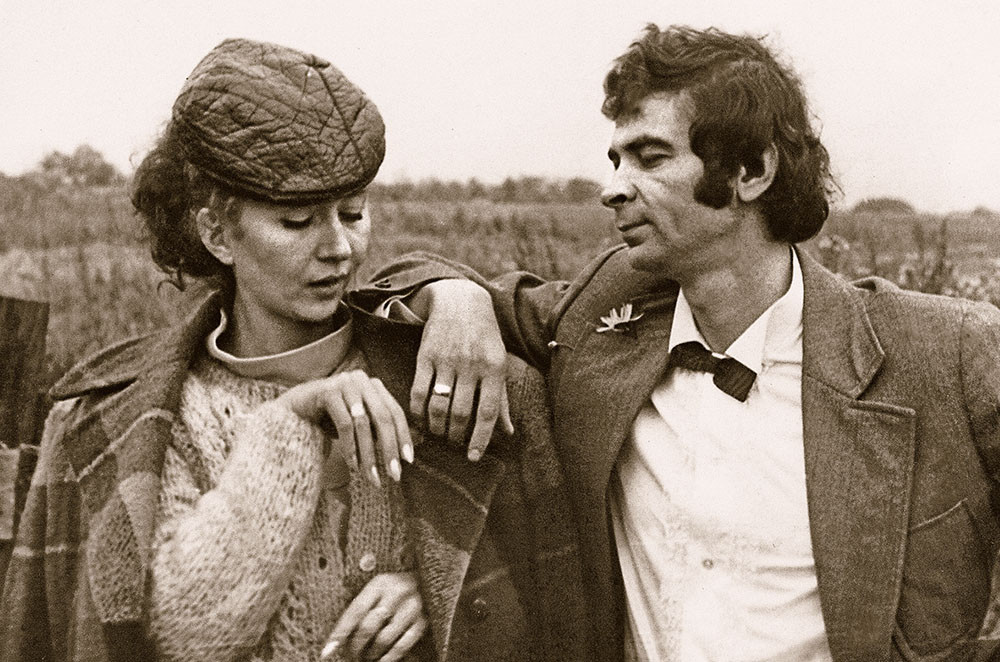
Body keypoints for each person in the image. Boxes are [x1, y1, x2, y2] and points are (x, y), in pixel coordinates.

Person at [356, 24, 1000, 662]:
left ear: (751, 171)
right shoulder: (605, 309)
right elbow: (400, 283)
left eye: (650, 157)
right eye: (616, 160)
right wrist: (459, 299)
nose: (613, 187)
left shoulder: (947, 353)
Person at [0, 38, 587, 662]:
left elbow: (551, 599)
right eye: (297, 222)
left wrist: (446, 595)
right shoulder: (128, 421)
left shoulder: (453, 377)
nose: (339, 248)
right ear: (217, 233)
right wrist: (288, 421)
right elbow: (186, 634)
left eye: (353, 214)